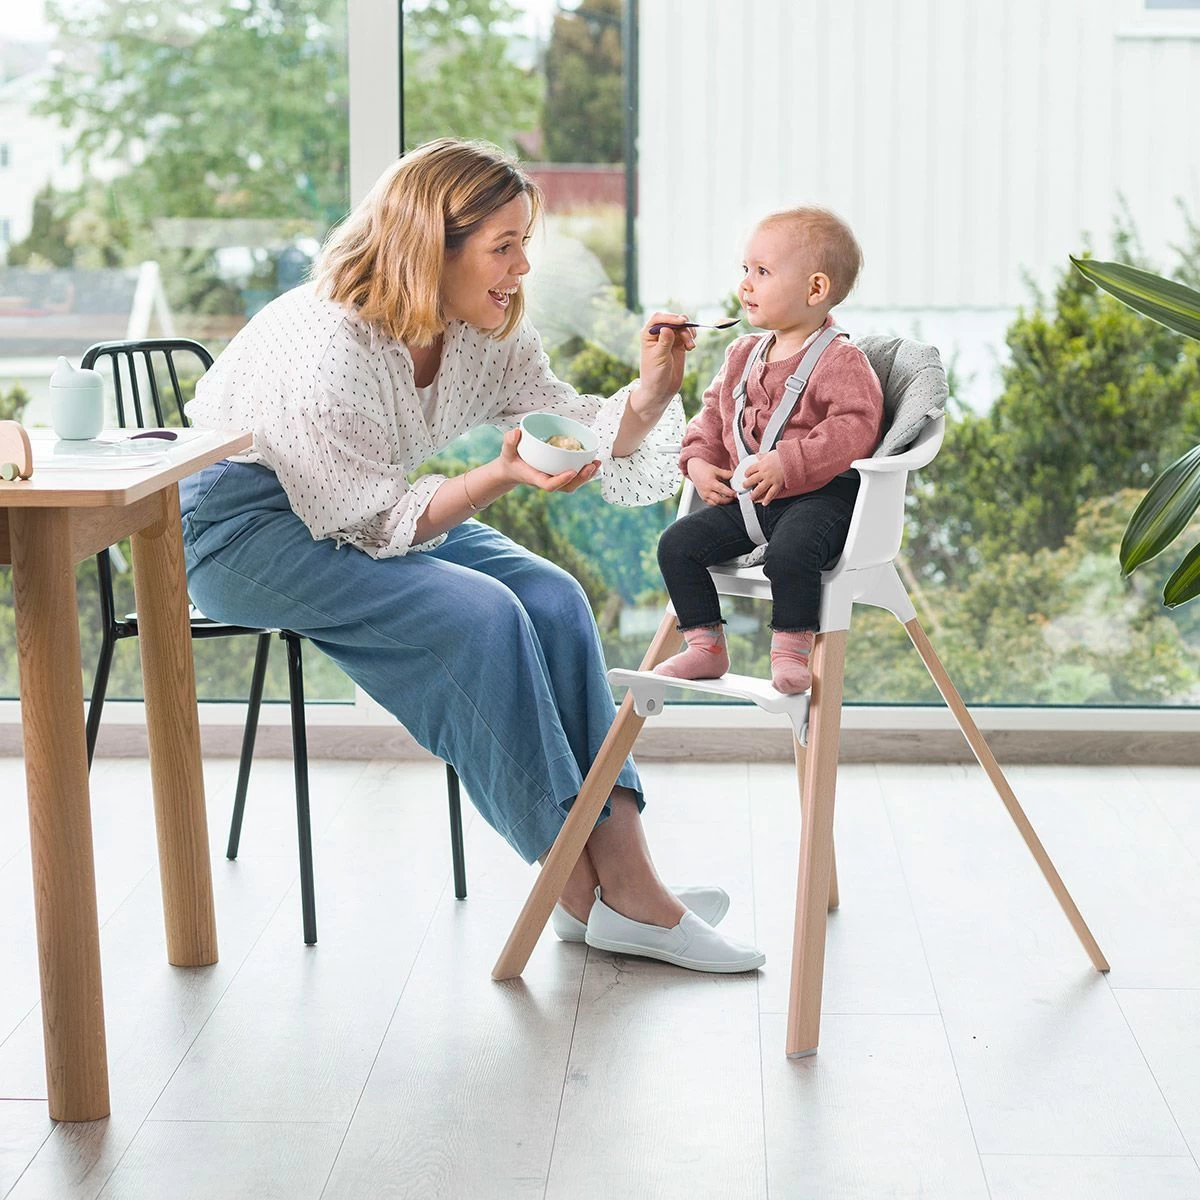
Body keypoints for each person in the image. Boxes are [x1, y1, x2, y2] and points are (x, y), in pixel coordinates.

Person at [181, 138, 765, 973]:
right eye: (504, 246)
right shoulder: (327, 346)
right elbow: (381, 520)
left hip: (362, 505)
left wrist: (651, 392)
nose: (522, 266)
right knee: (482, 616)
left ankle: (622, 882)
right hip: (241, 530)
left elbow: (574, 426)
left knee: (555, 597)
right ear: (430, 245)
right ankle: (584, 892)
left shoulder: (479, 327)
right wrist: (497, 474)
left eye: (525, 242)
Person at [655, 207, 885, 695]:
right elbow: (712, 417)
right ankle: (705, 646)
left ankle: (790, 650)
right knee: (677, 544)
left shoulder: (843, 361)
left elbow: (856, 427)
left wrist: (790, 462)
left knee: (792, 552)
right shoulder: (741, 354)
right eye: (745, 270)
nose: (745, 285)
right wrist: (698, 461)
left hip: (818, 500)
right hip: (752, 502)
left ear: (815, 289)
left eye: (761, 272)